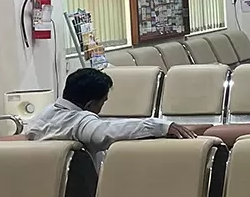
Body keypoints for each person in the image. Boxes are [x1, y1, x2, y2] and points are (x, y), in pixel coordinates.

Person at [26, 68, 197, 163]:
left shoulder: (43, 116)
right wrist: (160, 126)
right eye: (103, 102)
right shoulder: (80, 122)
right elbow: (106, 131)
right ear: (89, 104)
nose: (103, 106)